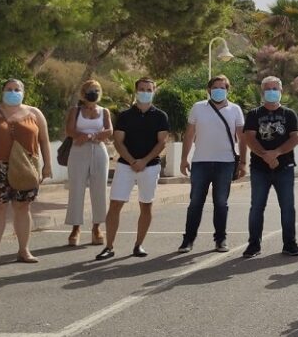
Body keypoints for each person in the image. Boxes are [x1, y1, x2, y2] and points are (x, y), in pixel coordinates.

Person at [0, 79, 52, 266]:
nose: (13, 92)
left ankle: (24, 250)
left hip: (25, 166)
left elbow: (44, 141)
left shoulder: (34, 113)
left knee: (23, 206)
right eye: (9, 89)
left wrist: (47, 165)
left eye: (17, 89)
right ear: (2, 91)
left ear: (23, 92)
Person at [97, 77, 170, 260]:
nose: (145, 92)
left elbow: (162, 143)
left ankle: (139, 245)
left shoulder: (161, 116)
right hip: (125, 166)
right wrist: (132, 161)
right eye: (142, 89)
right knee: (115, 204)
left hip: (150, 166)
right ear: (136, 91)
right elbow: (118, 141)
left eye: (149, 89)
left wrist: (144, 161)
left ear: (154, 92)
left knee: (146, 205)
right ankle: (109, 246)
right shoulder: (124, 116)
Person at [178, 75, 245, 253]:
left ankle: (220, 240)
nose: (218, 90)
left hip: (226, 163)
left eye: (222, 87)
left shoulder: (235, 109)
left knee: (221, 203)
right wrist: (184, 158)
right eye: (215, 87)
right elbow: (189, 134)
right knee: (195, 202)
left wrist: (244, 162)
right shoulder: (198, 108)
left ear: (228, 90)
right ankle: (188, 240)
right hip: (200, 162)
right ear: (209, 90)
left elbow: (242, 137)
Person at [242, 76, 298, 258]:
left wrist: (275, 153)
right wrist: (265, 156)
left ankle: (290, 244)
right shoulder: (253, 114)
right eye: (268, 88)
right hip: (260, 169)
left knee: (287, 207)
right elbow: (249, 138)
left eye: (275, 88)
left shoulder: (289, 114)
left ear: (281, 91)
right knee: (257, 207)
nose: (271, 92)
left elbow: (295, 138)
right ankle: (253, 245)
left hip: (284, 167)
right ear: (262, 92)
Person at [64, 80, 112, 247]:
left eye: (96, 90)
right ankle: (75, 228)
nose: (93, 93)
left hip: (99, 151)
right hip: (78, 151)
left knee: (99, 189)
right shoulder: (75, 111)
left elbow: (109, 131)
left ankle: (97, 227)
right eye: (90, 90)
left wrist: (90, 136)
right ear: (83, 93)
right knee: (76, 189)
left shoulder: (104, 111)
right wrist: (82, 136)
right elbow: (69, 130)